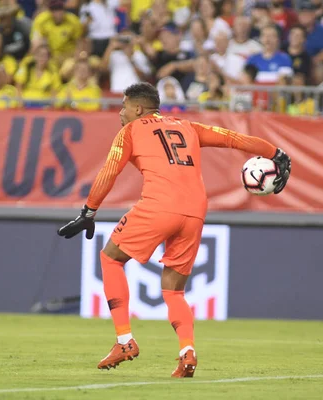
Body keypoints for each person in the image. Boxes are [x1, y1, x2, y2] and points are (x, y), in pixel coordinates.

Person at [57, 82, 291, 377]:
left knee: (111, 258)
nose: (120, 112)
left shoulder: (130, 131)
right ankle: (187, 353)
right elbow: (233, 138)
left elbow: (109, 171)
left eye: (124, 106)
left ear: (138, 109)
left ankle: (124, 341)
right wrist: (276, 152)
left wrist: (89, 211)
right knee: (174, 290)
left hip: (159, 205)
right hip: (195, 211)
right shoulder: (186, 126)